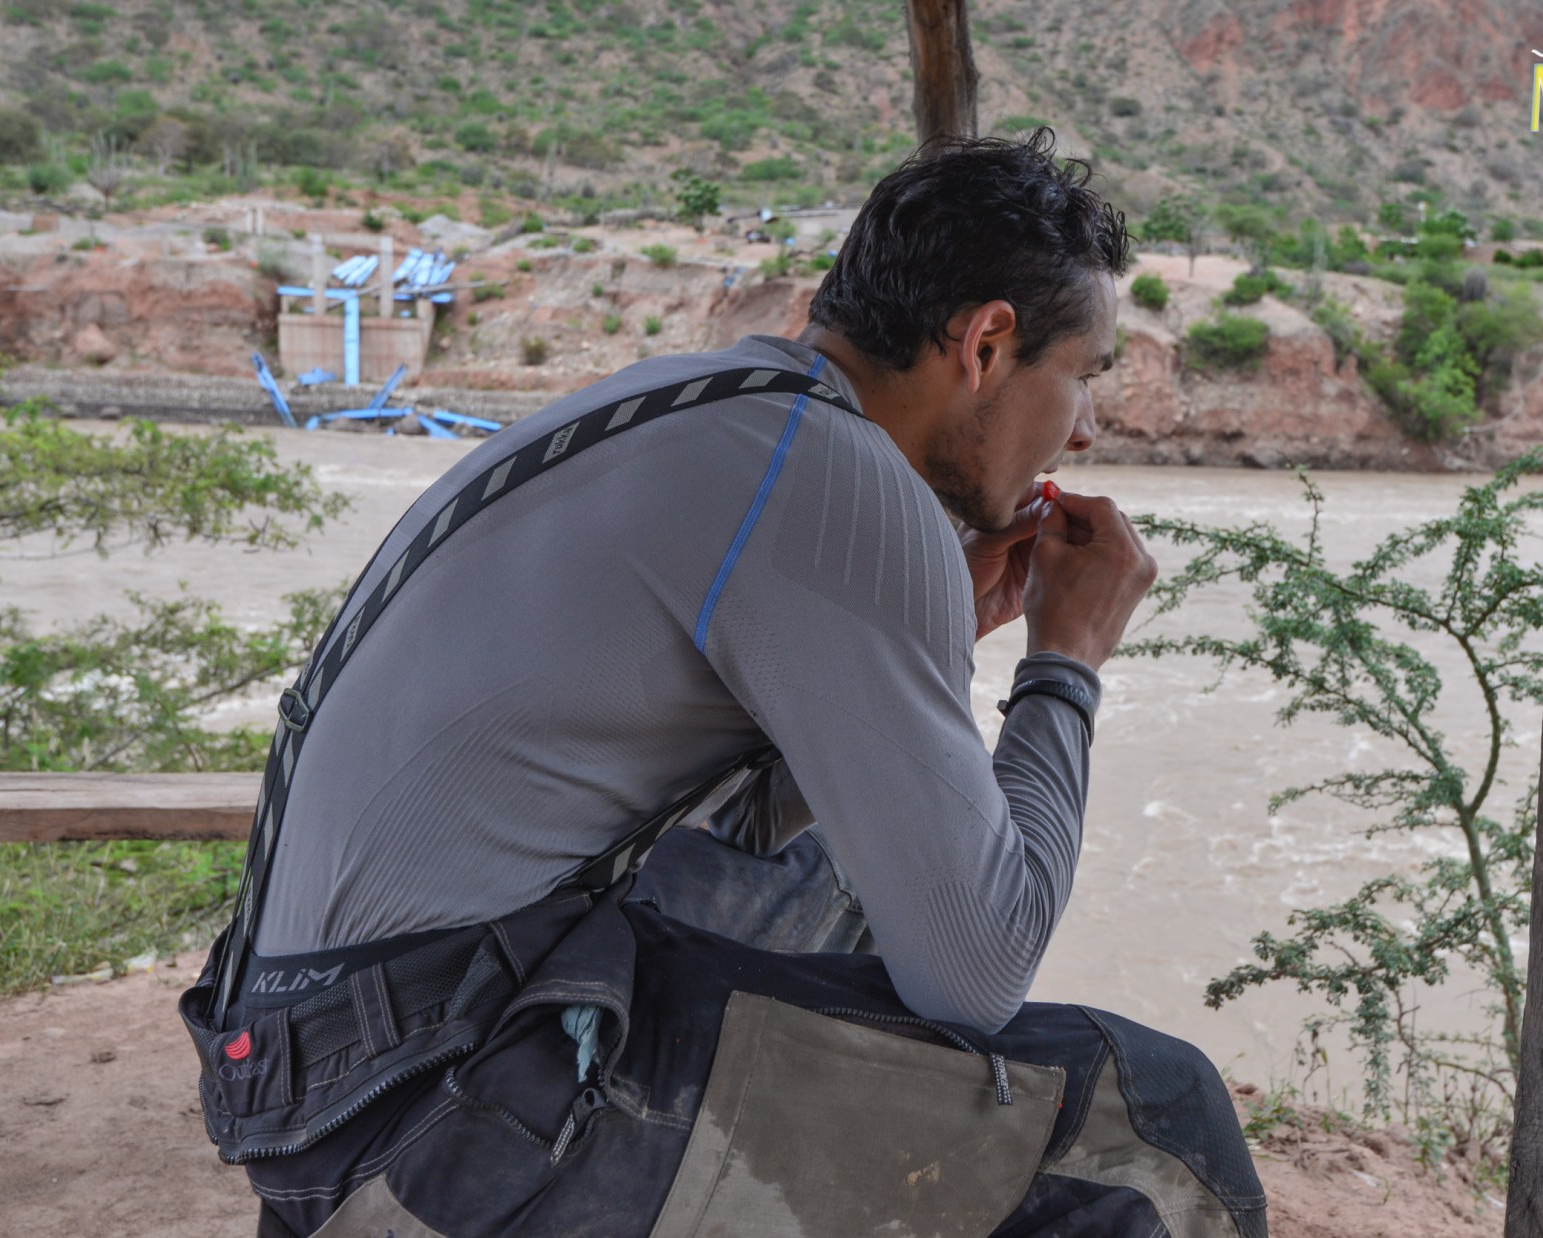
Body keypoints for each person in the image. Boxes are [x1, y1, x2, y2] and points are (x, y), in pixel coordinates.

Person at [180, 129, 1268, 1238]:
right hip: (422, 1104)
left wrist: (934, 642)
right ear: (987, 343)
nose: (1084, 425)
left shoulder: (714, 400)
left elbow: (727, 823)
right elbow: (977, 969)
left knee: (860, 863)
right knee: (1157, 1120)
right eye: (1081, 376)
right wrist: (1062, 661)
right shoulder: (838, 482)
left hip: (297, 1060)